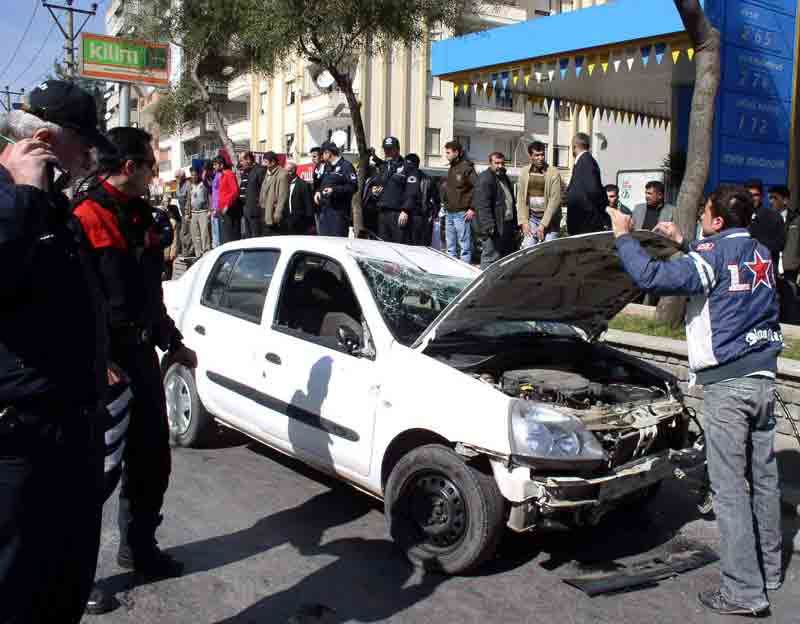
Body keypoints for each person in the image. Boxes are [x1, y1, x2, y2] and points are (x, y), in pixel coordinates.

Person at [609, 185, 782, 617]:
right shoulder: (759, 251)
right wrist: (685, 243)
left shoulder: (712, 256)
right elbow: (720, 265)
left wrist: (623, 237)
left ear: (718, 221)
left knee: (727, 490)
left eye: (705, 212)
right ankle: (770, 570)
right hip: (763, 380)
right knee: (763, 481)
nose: (701, 217)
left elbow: (652, 278)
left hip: (729, 386)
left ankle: (744, 591)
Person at [0, 80, 110, 624]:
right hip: (21, 442)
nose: (89, 157)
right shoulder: (13, 200)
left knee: (65, 583)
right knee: (19, 591)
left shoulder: (52, 204)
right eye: (81, 143)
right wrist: (23, 195)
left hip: (72, 433)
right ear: (43, 141)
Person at [73, 127, 198, 601]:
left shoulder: (141, 215)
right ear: (130, 168)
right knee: (94, 474)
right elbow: (72, 302)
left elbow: (149, 296)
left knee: (151, 460)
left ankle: (139, 549)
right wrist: (96, 357)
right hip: (102, 364)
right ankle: (77, 579)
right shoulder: (84, 217)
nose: (155, 173)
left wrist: (174, 342)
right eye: (150, 164)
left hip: (140, 356)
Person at [517, 140, 562, 248]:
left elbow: (554, 201)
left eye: (542, 154)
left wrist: (543, 225)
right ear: (530, 156)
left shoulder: (553, 173)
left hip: (550, 221)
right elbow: (521, 198)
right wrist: (523, 221)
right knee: (528, 249)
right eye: (537, 155)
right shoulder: (524, 172)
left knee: (548, 251)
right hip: (532, 218)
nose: (540, 158)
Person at [475, 152, 517, 267]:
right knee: (490, 257)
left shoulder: (504, 177)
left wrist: (515, 224)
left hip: (506, 224)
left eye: (502, 163)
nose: (500, 166)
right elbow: (482, 205)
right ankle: (485, 284)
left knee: (504, 258)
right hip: (494, 227)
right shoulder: (485, 179)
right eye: (497, 163)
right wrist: (489, 226)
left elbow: (511, 201)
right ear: (490, 163)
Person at [372, 136, 414, 243]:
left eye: (390, 149)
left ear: (397, 149)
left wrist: (405, 210)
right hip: (382, 212)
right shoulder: (384, 167)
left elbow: (411, 191)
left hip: (398, 213)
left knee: (398, 246)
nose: (387, 152)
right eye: (385, 149)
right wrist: (375, 191)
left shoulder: (406, 166)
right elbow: (378, 184)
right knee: (383, 245)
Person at [565, 132, 609, 235]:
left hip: (585, 224)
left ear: (574, 146)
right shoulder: (584, 161)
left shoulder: (586, 162)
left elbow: (594, 191)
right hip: (581, 223)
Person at [444, 140, 477, 262]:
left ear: (456, 152)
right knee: (450, 246)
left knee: (464, 247)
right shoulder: (452, 167)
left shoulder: (467, 168)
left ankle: (466, 270)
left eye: (448, 152)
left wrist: (472, 208)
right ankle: (451, 270)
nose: (446, 155)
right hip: (449, 212)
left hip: (462, 213)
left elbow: (477, 188)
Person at [315, 141, 357, 236]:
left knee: (337, 243)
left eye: (322, 153)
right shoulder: (326, 167)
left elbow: (353, 187)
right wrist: (318, 192)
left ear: (328, 153)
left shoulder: (346, 166)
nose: (321, 156)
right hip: (325, 211)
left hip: (339, 213)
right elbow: (322, 184)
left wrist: (334, 190)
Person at [746, 178, 785, 265]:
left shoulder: (774, 217)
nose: (753, 198)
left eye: (756, 195)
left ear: (761, 196)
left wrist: (755, 240)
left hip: (766, 271)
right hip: (744, 272)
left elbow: (780, 245)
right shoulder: (739, 217)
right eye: (749, 195)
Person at [405, 153, 439, 246]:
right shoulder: (404, 177)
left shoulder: (426, 179)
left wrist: (432, 215)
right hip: (409, 216)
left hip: (420, 216)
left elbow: (436, 200)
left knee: (420, 245)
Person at [259, 151, 290, 234]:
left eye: (265, 162)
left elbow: (282, 196)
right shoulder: (267, 173)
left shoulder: (283, 174)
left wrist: (277, 213)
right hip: (265, 212)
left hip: (274, 215)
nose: (263, 164)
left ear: (273, 162)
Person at [240, 151, 266, 238]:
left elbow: (263, 190)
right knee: (248, 236)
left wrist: (258, 204)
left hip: (255, 210)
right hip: (246, 209)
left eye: (242, 161)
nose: (241, 163)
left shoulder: (259, 170)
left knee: (256, 237)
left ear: (248, 160)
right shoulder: (245, 171)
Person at [285, 161, 315, 234]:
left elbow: (308, 203)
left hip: (300, 220)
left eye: (288, 171)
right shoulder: (285, 184)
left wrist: (309, 221)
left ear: (293, 171)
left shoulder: (303, 185)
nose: (286, 174)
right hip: (287, 219)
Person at [217, 157, 240, 243]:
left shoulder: (229, 174)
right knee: (225, 237)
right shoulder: (222, 176)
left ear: (221, 165)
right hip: (223, 211)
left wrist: (227, 205)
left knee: (230, 237)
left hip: (229, 210)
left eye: (216, 165)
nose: (214, 167)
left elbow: (235, 191)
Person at [189, 167, 212, 256]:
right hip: (193, 213)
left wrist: (210, 210)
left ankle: (206, 252)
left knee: (204, 233)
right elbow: (188, 199)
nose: (193, 177)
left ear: (198, 175)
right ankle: (198, 254)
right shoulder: (190, 185)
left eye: (195, 175)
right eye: (192, 175)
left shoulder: (204, 184)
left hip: (203, 211)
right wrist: (188, 213)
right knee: (195, 235)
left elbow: (209, 196)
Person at [174, 169, 193, 257]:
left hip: (186, 213)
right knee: (182, 233)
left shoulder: (188, 185)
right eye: (176, 177)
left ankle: (187, 251)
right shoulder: (178, 185)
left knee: (185, 232)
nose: (176, 179)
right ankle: (184, 250)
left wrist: (187, 213)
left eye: (178, 177)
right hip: (180, 213)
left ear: (183, 177)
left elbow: (189, 200)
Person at [210, 158, 223, 247]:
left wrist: (217, 207)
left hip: (218, 208)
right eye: (213, 165)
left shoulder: (221, 175)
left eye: (215, 165)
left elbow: (221, 192)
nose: (214, 167)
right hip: (214, 207)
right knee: (214, 232)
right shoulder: (216, 175)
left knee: (218, 232)